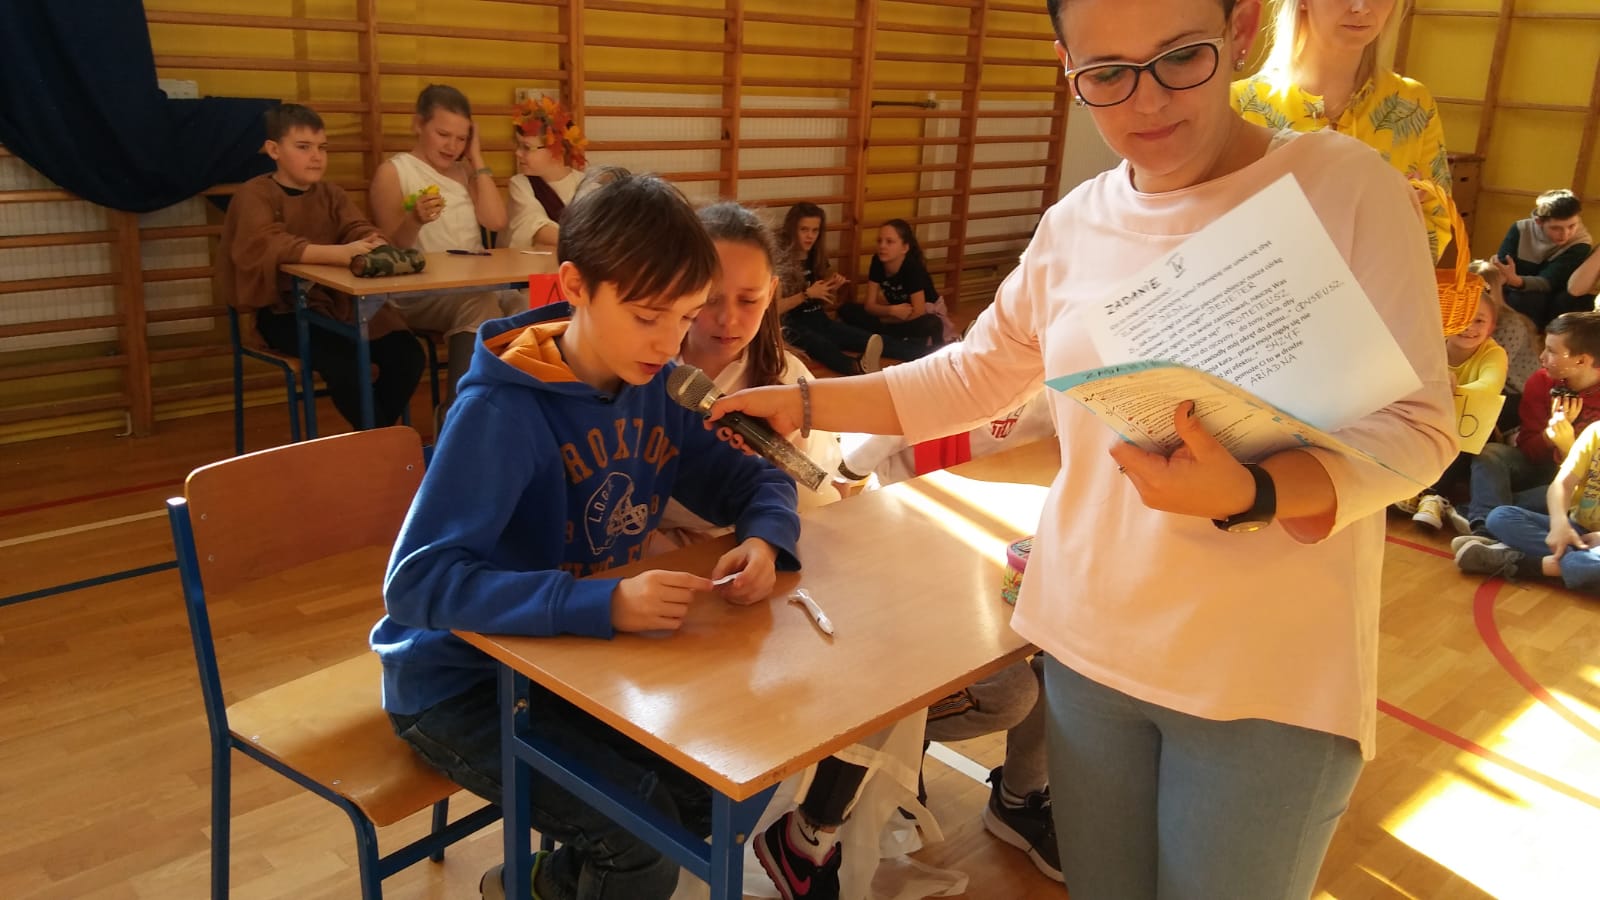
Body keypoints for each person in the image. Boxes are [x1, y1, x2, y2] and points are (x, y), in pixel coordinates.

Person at [709, 0, 1457, 896]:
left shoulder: (1345, 186)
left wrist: (1253, 493)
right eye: (1106, 74)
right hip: (1091, 654)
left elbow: (1420, 429)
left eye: (1180, 57)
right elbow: (974, 374)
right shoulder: (1075, 224)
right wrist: (803, 400)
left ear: (1242, 30)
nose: (1147, 101)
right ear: (1067, 66)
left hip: (1266, 677)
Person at [372, 168, 801, 900]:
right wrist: (602, 604)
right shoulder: (501, 411)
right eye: (647, 316)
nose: (670, 342)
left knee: (724, 786)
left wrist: (763, 539)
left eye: (684, 317)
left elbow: (757, 480)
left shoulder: (653, 385)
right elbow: (416, 584)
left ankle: (544, 883)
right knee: (643, 842)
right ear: (574, 285)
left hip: (570, 663)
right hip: (459, 686)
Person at [217, 103, 425, 429]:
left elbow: (356, 228)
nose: (316, 157)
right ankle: (380, 441)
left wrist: (373, 242)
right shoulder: (254, 194)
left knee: (407, 356)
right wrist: (340, 254)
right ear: (274, 150)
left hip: (340, 305)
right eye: (303, 147)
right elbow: (267, 244)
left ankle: (373, 439)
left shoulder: (330, 193)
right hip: (284, 312)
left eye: (322, 147)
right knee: (346, 364)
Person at [1232, 0, 1453, 261]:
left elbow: (1437, 221)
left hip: (1382, 284)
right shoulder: (1239, 106)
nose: (1361, 7)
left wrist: (1398, 217)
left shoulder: (1413, 104)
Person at [369, 84, 516, 418]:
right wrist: (414, 220)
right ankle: (459, 414)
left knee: (530, 301)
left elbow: (495, 221)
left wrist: (476, 158)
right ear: (418, 125)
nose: (452, 146)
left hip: (475, 283)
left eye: (462, 138)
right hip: (419, 292)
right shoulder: (394, 172)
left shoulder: (465, 173)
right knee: (478, 304)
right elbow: (391, 249)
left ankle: (513, 413)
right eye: (443, 134)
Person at [1461, 311, 1600, 538]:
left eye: (1552, 351)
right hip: (1538, 467)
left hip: (1578, 484)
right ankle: (1485, 529)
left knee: (1539, 501)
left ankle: (1480, 518)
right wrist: (1548, 437)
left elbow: (1591, 482)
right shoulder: (1542, 381)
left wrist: (1567, 446)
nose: (1542, 357)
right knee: (1490, 454)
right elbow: (1527, 448)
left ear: (1581, 360)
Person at [1395, 300, 1507, 531]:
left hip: (1466, 433)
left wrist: (1446, 388)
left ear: (1491, 327)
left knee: (1462, 431)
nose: (1469, 327)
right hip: (1425, 422)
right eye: (1463, 317)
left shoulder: (1494, 354)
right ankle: (1404, 483)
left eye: (1479, 320)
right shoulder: (1430, 345)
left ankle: (1433, 496)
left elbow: (1490, 386)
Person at [1456, 418, 1600, 589]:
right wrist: (1559, 523)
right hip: (1578, 530)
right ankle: (1580, 565)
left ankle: (1522, 563)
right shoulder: (1595, 433)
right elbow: (1562, 485)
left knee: (1585, 562)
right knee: (1499, 516)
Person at [775, 203, 900, 376]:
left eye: (815, 230)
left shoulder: (816, 257)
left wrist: (830, 288)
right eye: (804, 230)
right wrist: (806, 294)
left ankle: (923, 352)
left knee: (864, 337)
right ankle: (857, 367)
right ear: (792, 229)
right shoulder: (780, 262)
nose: (810, 236)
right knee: (820, 344)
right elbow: (774, 309)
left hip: (818, 319)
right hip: (790, 324)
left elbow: (822, 303)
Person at [838, 220, 949, 359]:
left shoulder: (912, 267)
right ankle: (893, 339)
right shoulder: (877, 261)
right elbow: (869, 306)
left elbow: (918, 311)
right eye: (879, 241)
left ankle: (889, 339)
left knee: (932, 323)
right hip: (895, 316)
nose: (882, 246)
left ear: (904, 248)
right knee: (846, 309)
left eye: (889, 242)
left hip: (921, 315)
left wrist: (886, 320)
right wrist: (890, 311)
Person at [1493, 189, 1594, 330]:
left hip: (1548, 294)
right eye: (1556, 228)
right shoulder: (1520, 228)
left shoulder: (1581, 242)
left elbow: (1550, 282)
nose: (1565, 234)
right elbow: (1502, 265)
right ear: (1538, 222)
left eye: (1572, 226)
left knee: (1524, 299)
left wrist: (1516, 281)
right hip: (1513, 284)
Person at [503, 94, 587, 249]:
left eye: (527, 147)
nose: (518, 153)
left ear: (557, 150)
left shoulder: (585, 184)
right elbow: (538, 229)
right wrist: (585, 244)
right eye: (518, 145)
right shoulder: (521, 184)